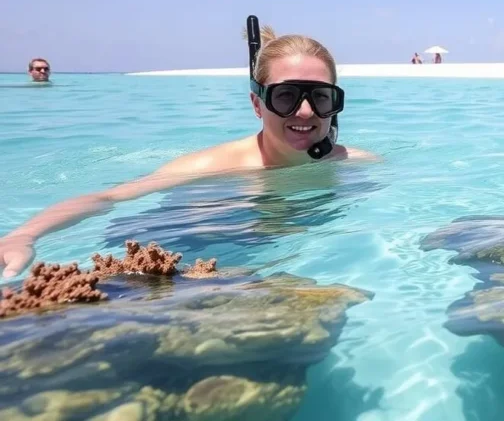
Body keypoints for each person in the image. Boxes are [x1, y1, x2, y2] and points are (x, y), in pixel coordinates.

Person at [0, 28, 377, 279]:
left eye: (321, 97)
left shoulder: (355, 163)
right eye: (286, 96)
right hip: (188, 238)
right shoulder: (214, 166)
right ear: (257, 104)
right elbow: (107, 197)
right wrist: (25, 235)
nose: (306, 111)